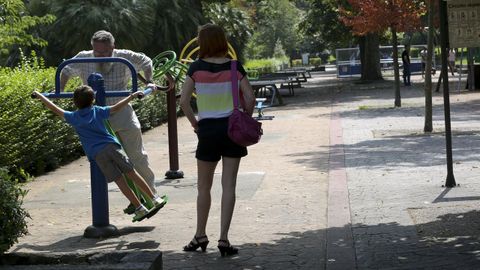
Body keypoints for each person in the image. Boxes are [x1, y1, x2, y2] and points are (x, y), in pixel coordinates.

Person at [60, 30, 174, 214]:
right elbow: (65, 69)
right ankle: (135, 200)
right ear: (92, 49)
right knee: (111, 163)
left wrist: (149, 81)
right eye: (97, 52)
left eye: (105, 52)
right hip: (98, 117)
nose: (101, 57)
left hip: (121, 110)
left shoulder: (124, 56)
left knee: (136, 156)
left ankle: (151, 194)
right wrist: (60, 89)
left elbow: (146, 61)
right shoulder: (84, 58)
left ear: (113, 47)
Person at [32, 86, 167, 222]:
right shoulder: (98, 111)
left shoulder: (73, 117)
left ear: (74, 102)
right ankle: (154, 198)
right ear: (94, 100)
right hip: (112, 147)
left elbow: (54, 108)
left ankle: (139, 207)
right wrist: (131, 97)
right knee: (132, 174)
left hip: (98, 154)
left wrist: (39, 95)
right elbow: (116, 108)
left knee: (120, 182)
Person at [179, 23, 255, 257]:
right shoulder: (235, 67)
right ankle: (224, 239)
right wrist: (244, 119)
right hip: (232, 130)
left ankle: (200, 235)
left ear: (202, 43)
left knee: (204, 187)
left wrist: (195, 124)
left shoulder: (196, 68)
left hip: (208, 130)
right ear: (222, 41)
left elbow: (183, 102)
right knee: (229, 186)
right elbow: (250, 98)